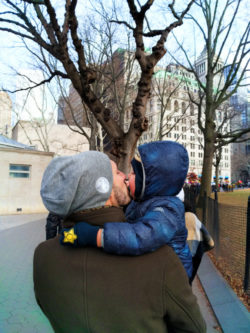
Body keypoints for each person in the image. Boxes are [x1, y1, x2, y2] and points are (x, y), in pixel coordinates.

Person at [34, 150, 206, 333]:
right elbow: (194, 327)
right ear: (102, 188)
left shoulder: (43, 256)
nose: (124, 175)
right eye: (116, 173)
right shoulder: (160, 259)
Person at [60, 141, 193, 281]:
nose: (127, 177)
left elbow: (140, 236)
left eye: (134, 173)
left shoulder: (167, 210)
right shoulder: (143, 202)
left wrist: (95, 236)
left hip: (173, 279)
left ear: (150, 182)